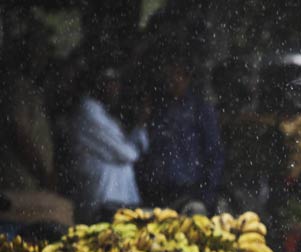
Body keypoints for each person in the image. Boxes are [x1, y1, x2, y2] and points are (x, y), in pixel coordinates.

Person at [139, 55, 223, 213]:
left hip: (191, 191)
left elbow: (214, 153)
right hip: (160, 192)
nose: (171, 80)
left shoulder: (199, 109)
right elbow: (149, 149)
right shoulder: (159, 110)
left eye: (176, 74)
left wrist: (207, 194)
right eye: (167, 75)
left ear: (186, 77)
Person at [68, 62, 149, 223]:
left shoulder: (104, 115)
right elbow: (127, 153)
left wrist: (140, 124)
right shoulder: (89, 112)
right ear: (97, 83)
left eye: (117, 82)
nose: (115, 88)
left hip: (119, 200)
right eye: (110, 82)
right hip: (104, 200)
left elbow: (136, 147)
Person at [0, 22, 56, 193]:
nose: (44, 54)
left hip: (30, 186)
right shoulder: (17, 87)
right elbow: (19, 133)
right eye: (40, 48)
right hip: (19, 188)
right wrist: (44, 175)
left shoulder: (28, 88)